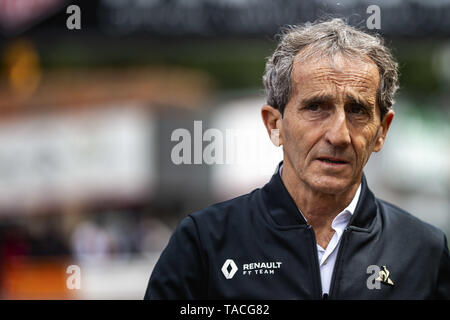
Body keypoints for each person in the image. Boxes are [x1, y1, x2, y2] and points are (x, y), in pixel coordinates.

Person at [144, 18, 450, 299]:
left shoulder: (424, 250)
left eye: (357, 111)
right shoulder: (205, 242)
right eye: (316, 107)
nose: (339, 135)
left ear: (382, 131)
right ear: (274, 125)